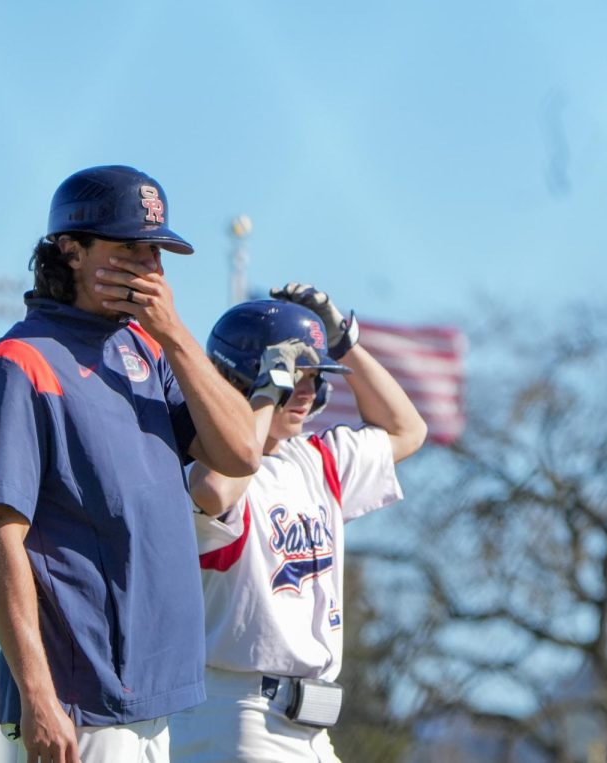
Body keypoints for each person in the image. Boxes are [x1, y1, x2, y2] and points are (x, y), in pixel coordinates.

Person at [0, 165, 261, 763]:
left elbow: (240, 452)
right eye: (129, 248)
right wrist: (38, 696)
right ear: (70, 250)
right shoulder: (15, 365)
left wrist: (175, 334)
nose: (149, 267)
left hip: (154, 697)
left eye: (157, 251)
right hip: (80, 704)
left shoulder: (147, 348)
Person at [170, 285, 428, 763]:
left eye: (314, 375)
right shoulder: (204, 467)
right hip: (236, 715)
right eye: (292, 376)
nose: (306, 390)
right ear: (239, 380)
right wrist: (264, 395)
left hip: (309, 726)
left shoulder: (314, 459)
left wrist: (344, 342)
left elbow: (407, 430)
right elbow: (215, 491)